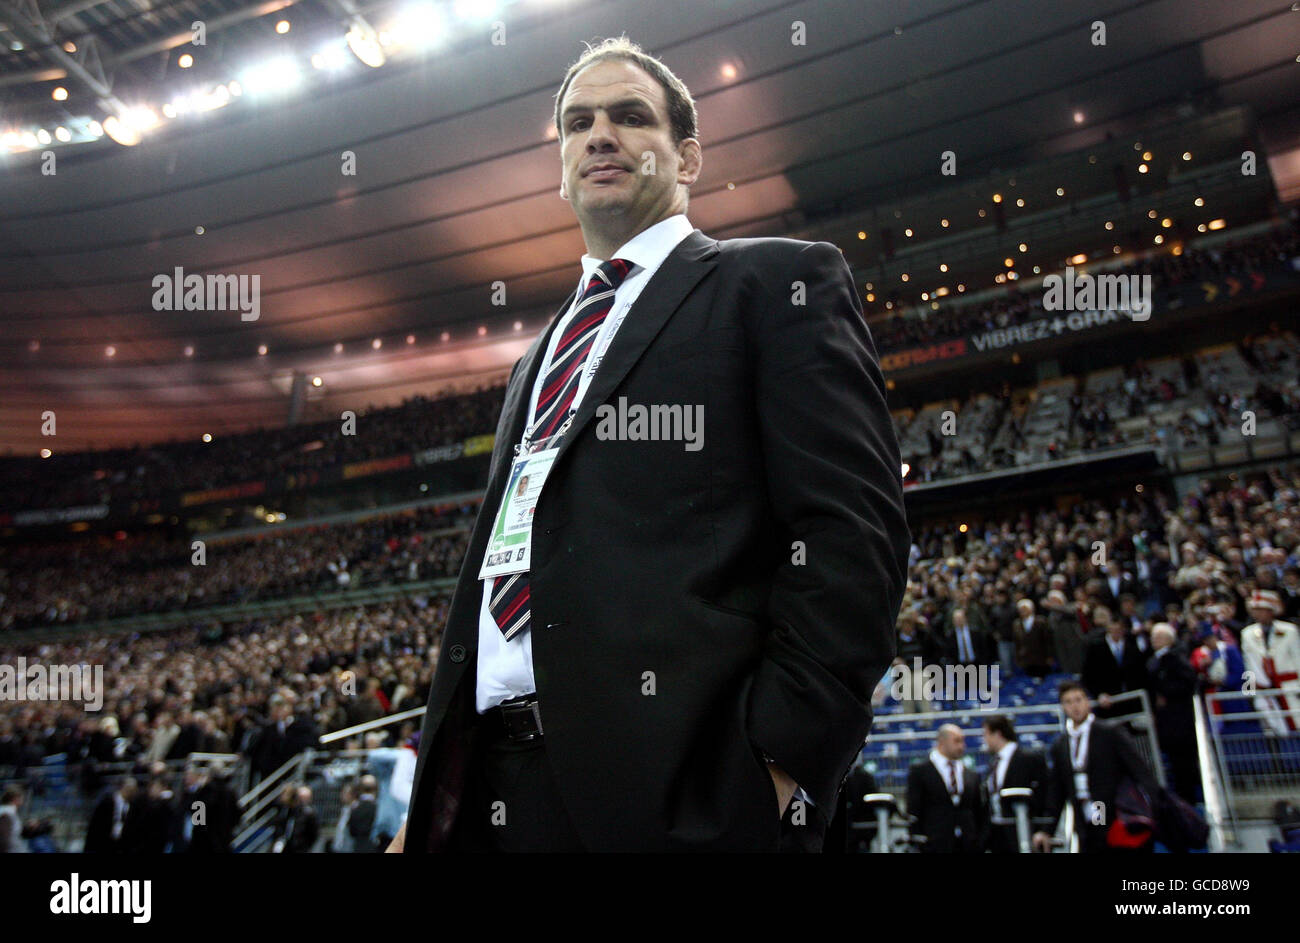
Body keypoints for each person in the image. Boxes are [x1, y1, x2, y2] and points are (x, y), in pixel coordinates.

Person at [394, 36, 908, 853]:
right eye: (578, 122)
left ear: (688, 157)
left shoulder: (776, 282)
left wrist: (775, 770)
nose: (600, 134)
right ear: (561, 160)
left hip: (684, 795)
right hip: (492, 791)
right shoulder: (537, 357)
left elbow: (855, 533)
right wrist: (432, 803)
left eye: (631, 117)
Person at [1035, 681, 1159, 854]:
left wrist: (1156, 804)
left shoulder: (1109, 732)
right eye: (1068, 702)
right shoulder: (1061, 744)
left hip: (1111, 810)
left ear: (1087, 701)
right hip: (1083, 813)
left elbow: (1139, 769)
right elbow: (1057, 790)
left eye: (1078, 700)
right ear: (1063, 707)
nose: (1074, 706)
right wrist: (1047, 829)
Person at [905, 725, 984, 853]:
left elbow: (979, 810)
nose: (962, 746)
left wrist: (979, 841)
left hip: (968, 844)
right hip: (933, 844)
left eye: (963, 741)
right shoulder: (920, 771)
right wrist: (918, 841)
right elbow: (913, 809)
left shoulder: (971, 774)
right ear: (942, 742)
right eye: (957, 741)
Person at [1145, 623, 1201, 802]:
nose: (1154, 640)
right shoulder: (1152, 660)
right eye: (1153, 636)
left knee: (1184, 763)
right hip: (1165, 722)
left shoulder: (1176, 658)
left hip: (1179, 721)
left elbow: (1188, 683)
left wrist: (1165, 693)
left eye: (1159, 637)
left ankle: (1189, 801)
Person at [980, 714, 1047, 853]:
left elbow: (1045, 795)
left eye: (985, 734)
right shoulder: (994, 763)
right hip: (998, 835)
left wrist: (1042, 829)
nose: (984, 740)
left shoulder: (1028, 759)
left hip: (1023, 831)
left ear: (997, 734)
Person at [1240, 590, 1300, 734]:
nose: (1257, 613)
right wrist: (1251, 691)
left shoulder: (1289, 630)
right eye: (1255, 610)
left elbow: (1298, 658)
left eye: (1261, 609)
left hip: (1290, 687)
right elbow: (1249, 664)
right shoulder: (1247, 634)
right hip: (1264, 690)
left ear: (1271, 610)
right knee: (1274, 731)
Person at [84, 778, 137, 854]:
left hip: (120, 844)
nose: (134, 793)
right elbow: (95, 825)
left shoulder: (132, 805)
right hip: (103, 842)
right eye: (132, 790)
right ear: (125, 788)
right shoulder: (107, 802)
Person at [1013, 598, 1052, 679]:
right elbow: (1017, 642)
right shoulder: (1017, 624)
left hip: (1040, 656)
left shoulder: (1041, 621)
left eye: (1025, 609)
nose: (1023, 611)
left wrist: (1049, 656)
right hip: (1026, 657)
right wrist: (1018, 657)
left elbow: (1047, 640)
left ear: (1031, 609)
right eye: (1021, 609)